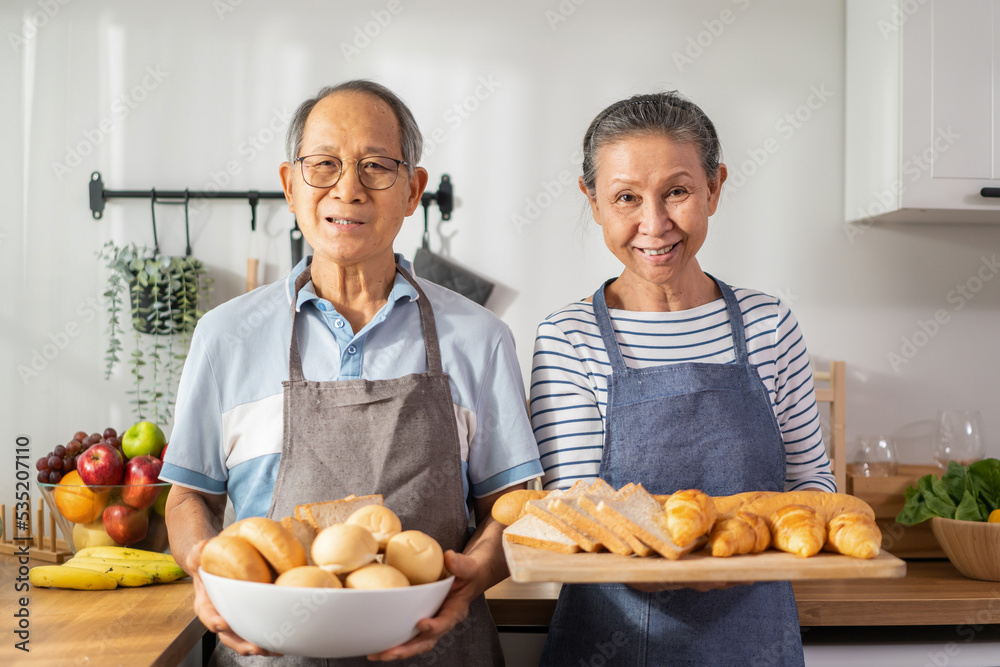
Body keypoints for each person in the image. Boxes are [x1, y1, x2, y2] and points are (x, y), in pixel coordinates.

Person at [161, 80, 542, 666]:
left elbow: (509, 503)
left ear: (413, 190)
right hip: (268, 653)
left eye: (375, 167)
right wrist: (206, 570)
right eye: (325, 166)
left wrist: (474, 577)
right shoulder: (224, 337)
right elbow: (190, 498)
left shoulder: (479, 337)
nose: (348, 189)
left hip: (440, 650)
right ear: (290, 186)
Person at [529, 92, 836, 666]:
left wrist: (741, 556)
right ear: (592, 201)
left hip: (756, 635)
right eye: (626, 198)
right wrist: (680, 565)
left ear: (714, 187)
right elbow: (573, 509)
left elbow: (812, 484)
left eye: (677, 191)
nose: (655, 224)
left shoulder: (769, 323)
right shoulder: (569, 337)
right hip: (608, 639)